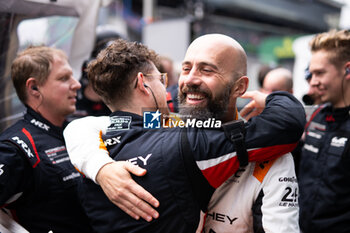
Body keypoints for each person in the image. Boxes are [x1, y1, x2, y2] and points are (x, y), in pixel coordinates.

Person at [64, 36, 305, 232]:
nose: (189, 79)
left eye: (207, 70)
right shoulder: (166, 123)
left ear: (240, 88)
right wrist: (101, 167)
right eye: (186, 69)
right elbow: (94, 125)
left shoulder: (275, 154)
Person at [0, 46, 93, 232]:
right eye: (64, 78)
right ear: (34, 87)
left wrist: (167, 120)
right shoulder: (16, 147)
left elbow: (134, 123)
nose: (77, 84)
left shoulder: (77, 129)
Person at [298, 29, 350, 233]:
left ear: (347, 71)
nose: (312, 81)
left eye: (320, 73)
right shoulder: (316, 116)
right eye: (311, 74)